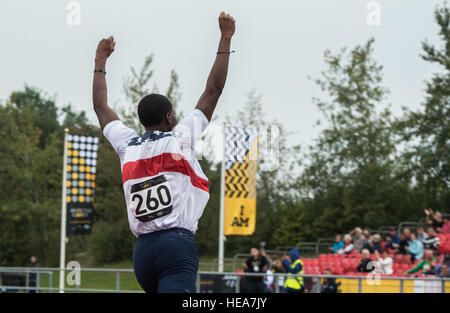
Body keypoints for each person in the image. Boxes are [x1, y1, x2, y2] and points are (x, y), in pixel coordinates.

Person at [93, 12, 236, 293]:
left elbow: (101, 107)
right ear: (169, 118)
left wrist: (100, 62)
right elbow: (214, 90)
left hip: (143, 253)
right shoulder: (180, 139)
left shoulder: (127, 147)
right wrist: (226, 37)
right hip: (175, 246)